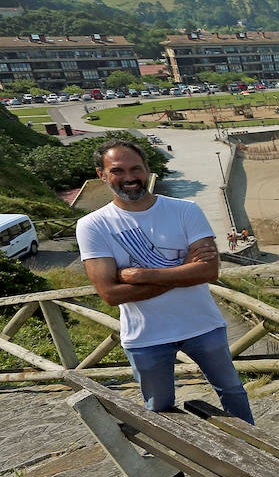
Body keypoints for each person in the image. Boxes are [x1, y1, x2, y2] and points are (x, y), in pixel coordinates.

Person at [76, 139, 252, 422]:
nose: (129, 177)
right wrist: (184, 270)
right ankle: (176, 463)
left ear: (148, 170)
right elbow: (111, 294)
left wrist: (141, 275)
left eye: (136, 168)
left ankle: (252, 451)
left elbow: (208, 272)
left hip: (202, 324)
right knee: (159, 408)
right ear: (102, 174)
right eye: (117, 171)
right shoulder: (93, 225)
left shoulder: (185, 210)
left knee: (232, 391)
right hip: (146, 336)